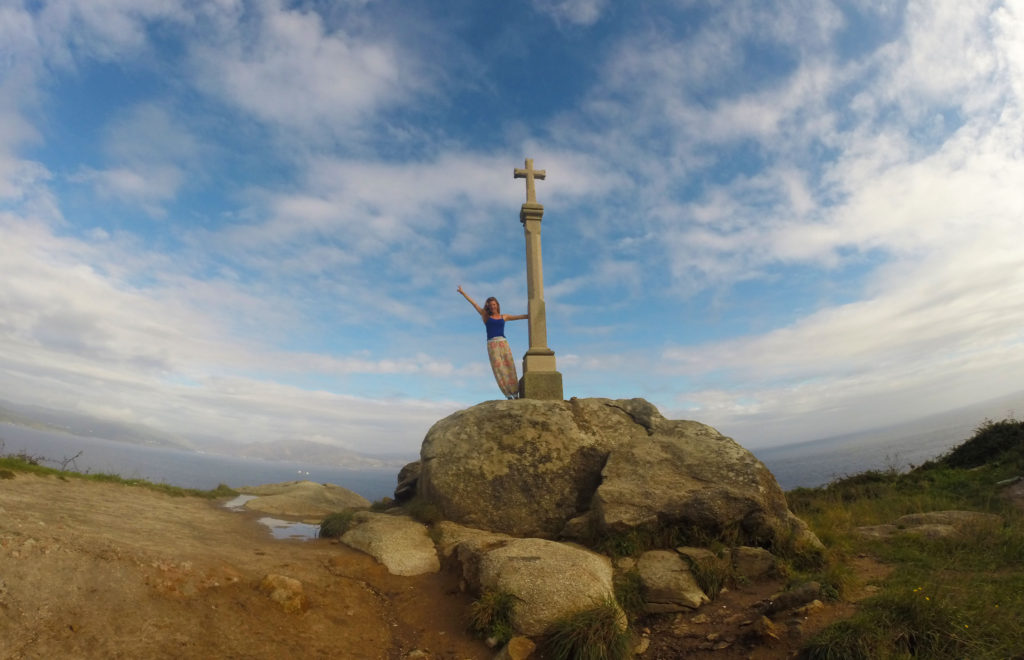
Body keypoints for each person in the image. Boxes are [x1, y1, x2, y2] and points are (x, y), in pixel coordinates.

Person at [457, 286, 528, 399]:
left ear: (497, 305)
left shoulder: (503, 316)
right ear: (488, 307)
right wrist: (463, 293)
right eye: (490, 305)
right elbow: (474, 304)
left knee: (510, 366)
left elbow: (518, 317)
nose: (493, 306)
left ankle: (515, 392)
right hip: (492, 345)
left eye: (494, 304)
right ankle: (508, 394)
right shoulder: (486, 316)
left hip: (503, 343)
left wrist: (529, 315)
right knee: (499, 369)